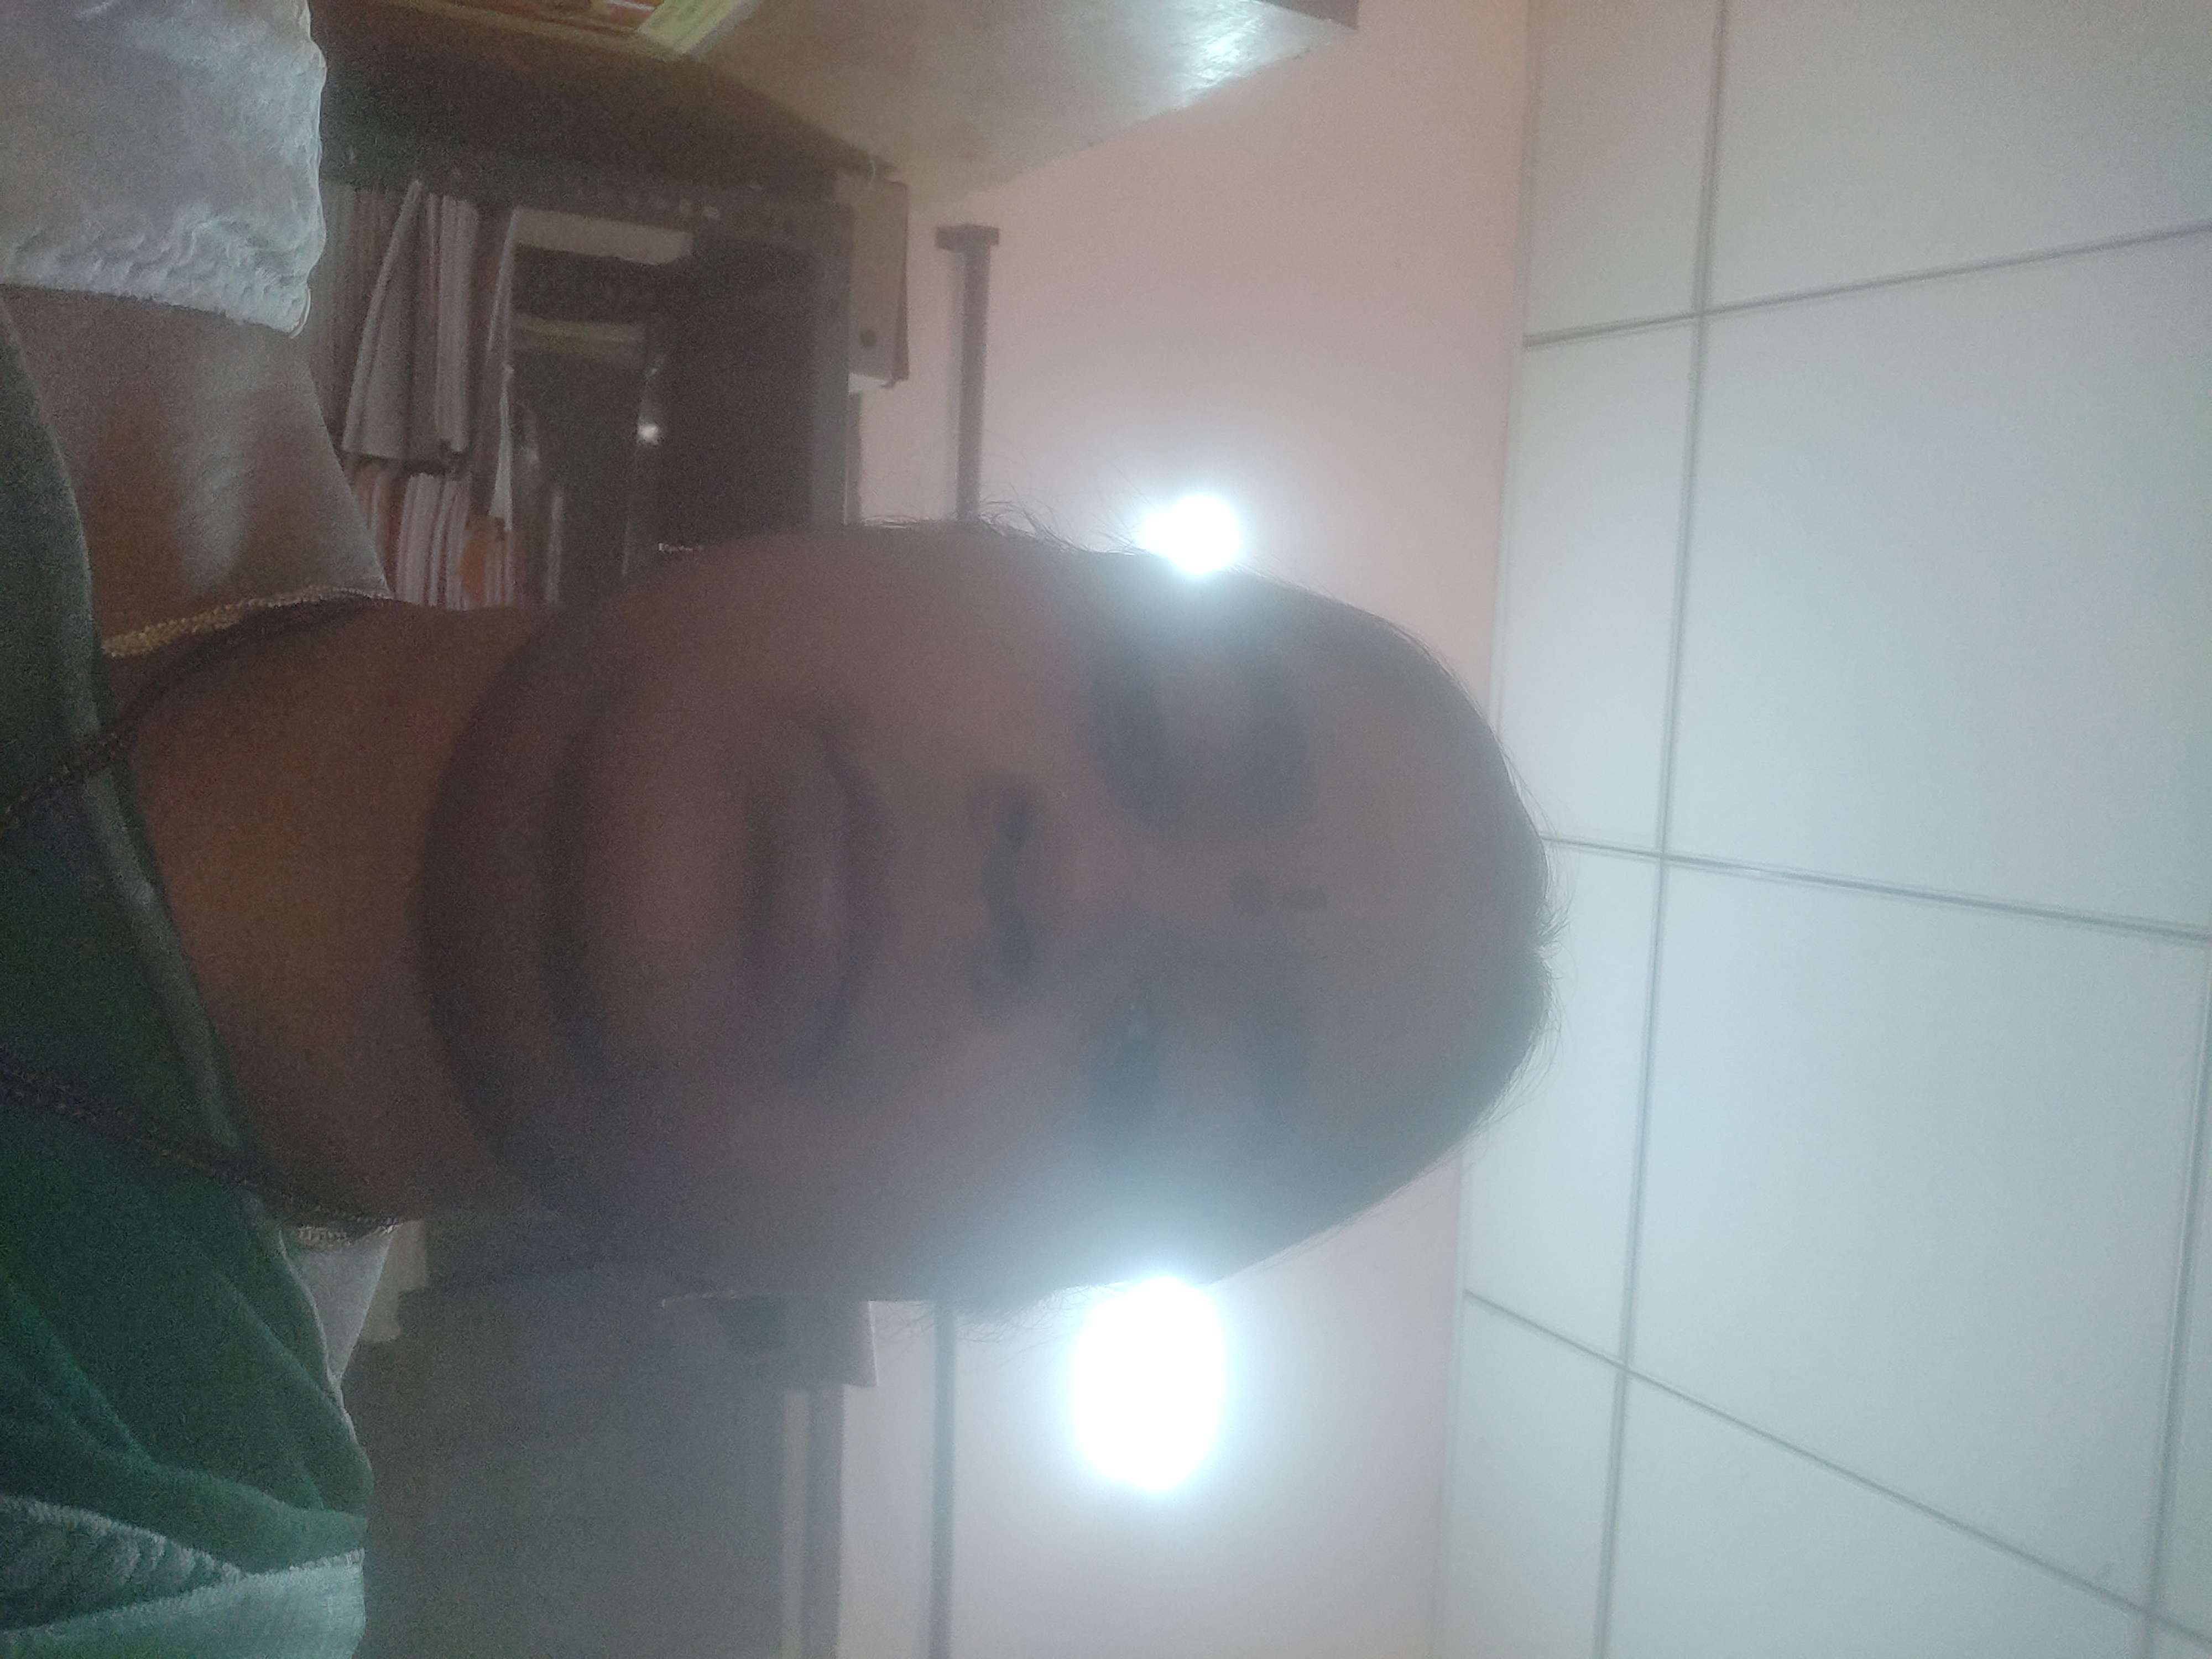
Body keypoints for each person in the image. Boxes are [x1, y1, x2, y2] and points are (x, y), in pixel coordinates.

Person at [0, 1, 1549, 1651]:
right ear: (973, 536)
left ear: (947, 1282)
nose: (1074, 889)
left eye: (1139, 1071)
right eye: (1150, 722)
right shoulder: (113, 66)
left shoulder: (157, 1561)